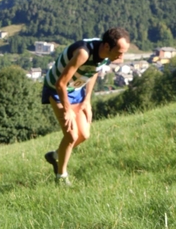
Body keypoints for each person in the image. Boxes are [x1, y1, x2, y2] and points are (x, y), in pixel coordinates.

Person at [42, 27, 130, 185]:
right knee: (71, 135)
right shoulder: (83, 53)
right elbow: (60, 83)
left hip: (76, 90)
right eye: (120, 52)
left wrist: (87, 100)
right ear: (107, 46)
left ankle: (55, 156)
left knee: (84, 134)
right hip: (56, 90)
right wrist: (67, 109)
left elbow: (94, 71)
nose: (121, 57)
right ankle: (61, 177)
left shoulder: (104, 54)